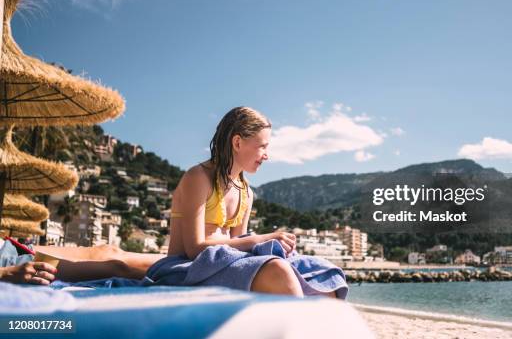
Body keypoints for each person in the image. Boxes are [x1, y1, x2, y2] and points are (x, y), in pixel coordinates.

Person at [165, 106, 347, 298]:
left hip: (221, 265)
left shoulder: (246, 192)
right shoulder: (198, 177)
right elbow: (194, 249)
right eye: (262, 146)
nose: (266, 155)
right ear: (237, 142)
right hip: (186, 268)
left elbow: (239, 247)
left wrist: (267, 245)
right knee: (278, 271)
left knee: (326, 273)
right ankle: (295, 326)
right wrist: (263, 238)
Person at [0, 238, 164, 285]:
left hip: (10, 249)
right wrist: (5, 273)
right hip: (9, 263)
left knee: (108, 251)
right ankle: (181, 268)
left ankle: (181, 265)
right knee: (115, 266)